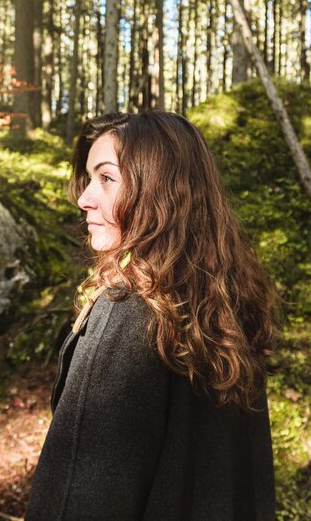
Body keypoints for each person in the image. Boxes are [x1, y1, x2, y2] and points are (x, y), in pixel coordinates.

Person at [24, 111, 276, 521]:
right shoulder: (227, 305)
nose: (84, 198)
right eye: (89, 179)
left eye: (106, 178)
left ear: (160, 192)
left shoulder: (124, 316)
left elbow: (78, 495)